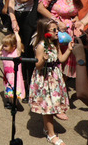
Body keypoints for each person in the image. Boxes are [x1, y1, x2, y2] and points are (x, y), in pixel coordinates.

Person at [29, 17, 71, 145]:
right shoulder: (41, 46)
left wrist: (69, 49)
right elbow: (38, 66)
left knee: (52, 105)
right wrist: (43, 59)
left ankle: (48, 129)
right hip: (44, 78)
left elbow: (61, 59)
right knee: (48, 107)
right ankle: (52, 135)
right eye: (54, 30)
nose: (57, 32)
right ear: (45, 31)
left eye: (57, 29)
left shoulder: (55, 43)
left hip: (54, 77)